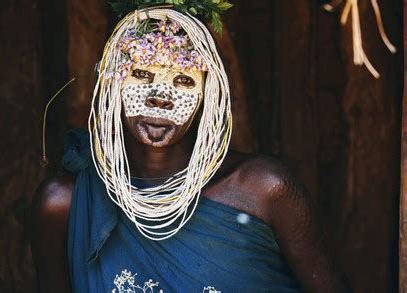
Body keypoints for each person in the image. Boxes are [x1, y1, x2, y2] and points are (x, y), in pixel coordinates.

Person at [30, 5, 350, 293]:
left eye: (183, 80)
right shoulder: (64, 205)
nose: (161, 95)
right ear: (112, 81)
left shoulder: (263, 190)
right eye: (141, 74)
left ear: (205, 94)